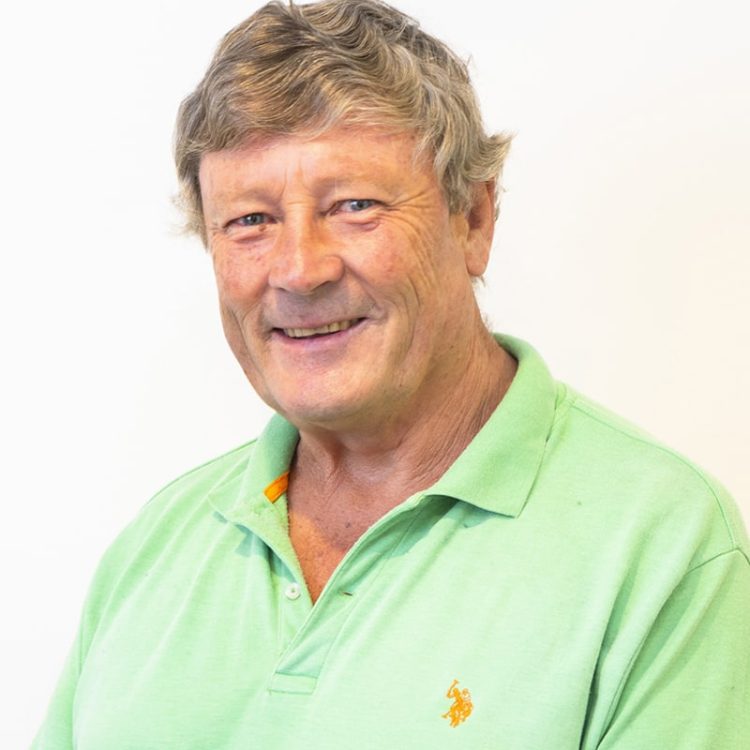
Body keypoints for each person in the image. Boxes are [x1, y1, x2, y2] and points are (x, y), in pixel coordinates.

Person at [32, 0, 749, 748]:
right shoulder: (157, 546)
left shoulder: (662, 547)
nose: (299, 270)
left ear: (473, 220)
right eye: (250, 220)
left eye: (354, 206)